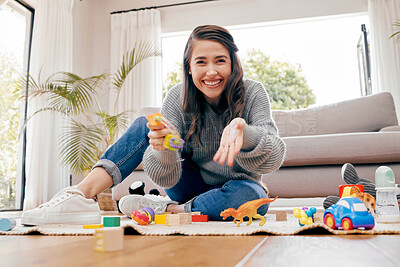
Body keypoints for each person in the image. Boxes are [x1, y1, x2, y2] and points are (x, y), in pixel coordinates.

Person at [21, 25, 286, 225]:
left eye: (220, 60)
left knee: (252, 200)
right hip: (186, 180)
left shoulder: (252, 93)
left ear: (233, 63)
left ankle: (166, 210)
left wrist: (243, 131)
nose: (211, 72)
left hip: (237, 186)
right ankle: (80, 196)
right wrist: (166, 147)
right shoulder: (177, 97)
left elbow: (274, 155)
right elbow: (165, 176)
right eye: (201, 62)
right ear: (189, 68)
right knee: (145, 124)